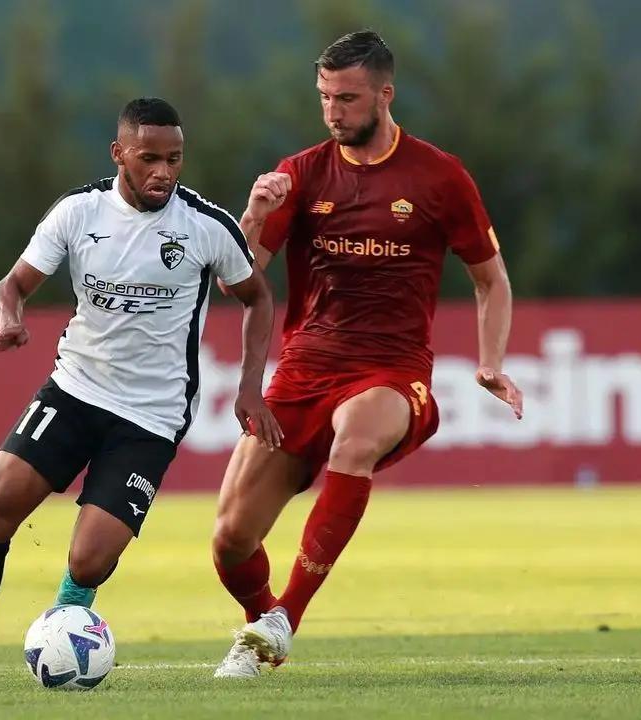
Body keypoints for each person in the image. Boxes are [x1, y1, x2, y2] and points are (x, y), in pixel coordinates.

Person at [0, 97, 281, 690]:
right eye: (149, 158)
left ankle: (66, 620)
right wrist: (10, 320)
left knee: (89, 560)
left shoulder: (206, 226)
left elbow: (258, 298)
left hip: (152, 416)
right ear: (119, 154)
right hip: (74, 390)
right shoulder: (78, 212)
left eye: (174, 159)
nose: (163, 172)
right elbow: (12, 284)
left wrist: (249, 388)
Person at [210, 31, 523, 678]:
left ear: (385, 95)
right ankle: (263, 626)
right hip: (305, 368)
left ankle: (286, 618)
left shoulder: (439, 176)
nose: (333, 111)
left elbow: (490, 279)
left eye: (347, 98)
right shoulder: (300, 173)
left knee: (355, 438)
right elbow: (237, 280)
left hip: (392, 370)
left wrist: (490, 361)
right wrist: (253, 214)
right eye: (325, 97)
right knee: (231, 539)